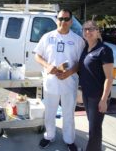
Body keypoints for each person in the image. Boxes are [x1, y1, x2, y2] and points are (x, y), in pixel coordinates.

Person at [34, 9, 85, 151]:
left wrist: (69, 72)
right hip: (51, 82)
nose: (63, 22)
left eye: (66, 19)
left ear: (71, 21)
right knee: (50, 111)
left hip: (69, 82)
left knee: (68, 113)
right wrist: (47, 65)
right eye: (60, 18)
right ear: (57, 20)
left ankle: (69, 140)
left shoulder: (77, 40)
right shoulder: (47, 37)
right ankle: (49, 136)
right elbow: (37, 55)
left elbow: (81, 62)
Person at [78, 20, 113, 151]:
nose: (88, 32)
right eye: (85, 29)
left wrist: (103, 100)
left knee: (95, 128)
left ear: (98, 31)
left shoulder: (104, 50)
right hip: (87, 94)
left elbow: (109, 78)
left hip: (98, 96)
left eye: (91, 29)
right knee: (92, 125)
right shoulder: (86, 49)